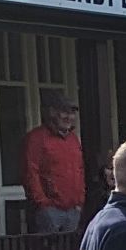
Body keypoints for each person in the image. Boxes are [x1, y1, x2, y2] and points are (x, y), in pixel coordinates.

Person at [22, 93, 88, 236]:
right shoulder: (36, 138)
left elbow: (80, 170)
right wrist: (43, 204)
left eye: (72, 113)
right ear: (52, 113)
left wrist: (79, 201)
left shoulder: (73, 139)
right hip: (49, 211)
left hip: (72, 210)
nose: (68, 117)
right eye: (64, 112)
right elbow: (30, 172)